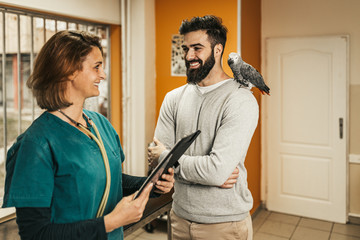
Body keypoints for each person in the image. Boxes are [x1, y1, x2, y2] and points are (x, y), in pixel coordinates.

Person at [2, 30, 174, 240]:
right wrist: (112, 222)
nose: (103, 74)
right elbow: (36, 233)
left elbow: (108, 180)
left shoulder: (100, 124)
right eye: (96, 67)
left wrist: (150, 185)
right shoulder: (36, 144)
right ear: (68, 71)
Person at [148, 15, 259, 240]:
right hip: (178, 219)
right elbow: (156, 163)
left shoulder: (240, 100)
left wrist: (171, 161)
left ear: (218, 50)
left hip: (224, 225)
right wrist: (206, 172)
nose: (189, 56)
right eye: (186, 48)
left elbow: (215, 170)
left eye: (197, 48)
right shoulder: (173, 98)